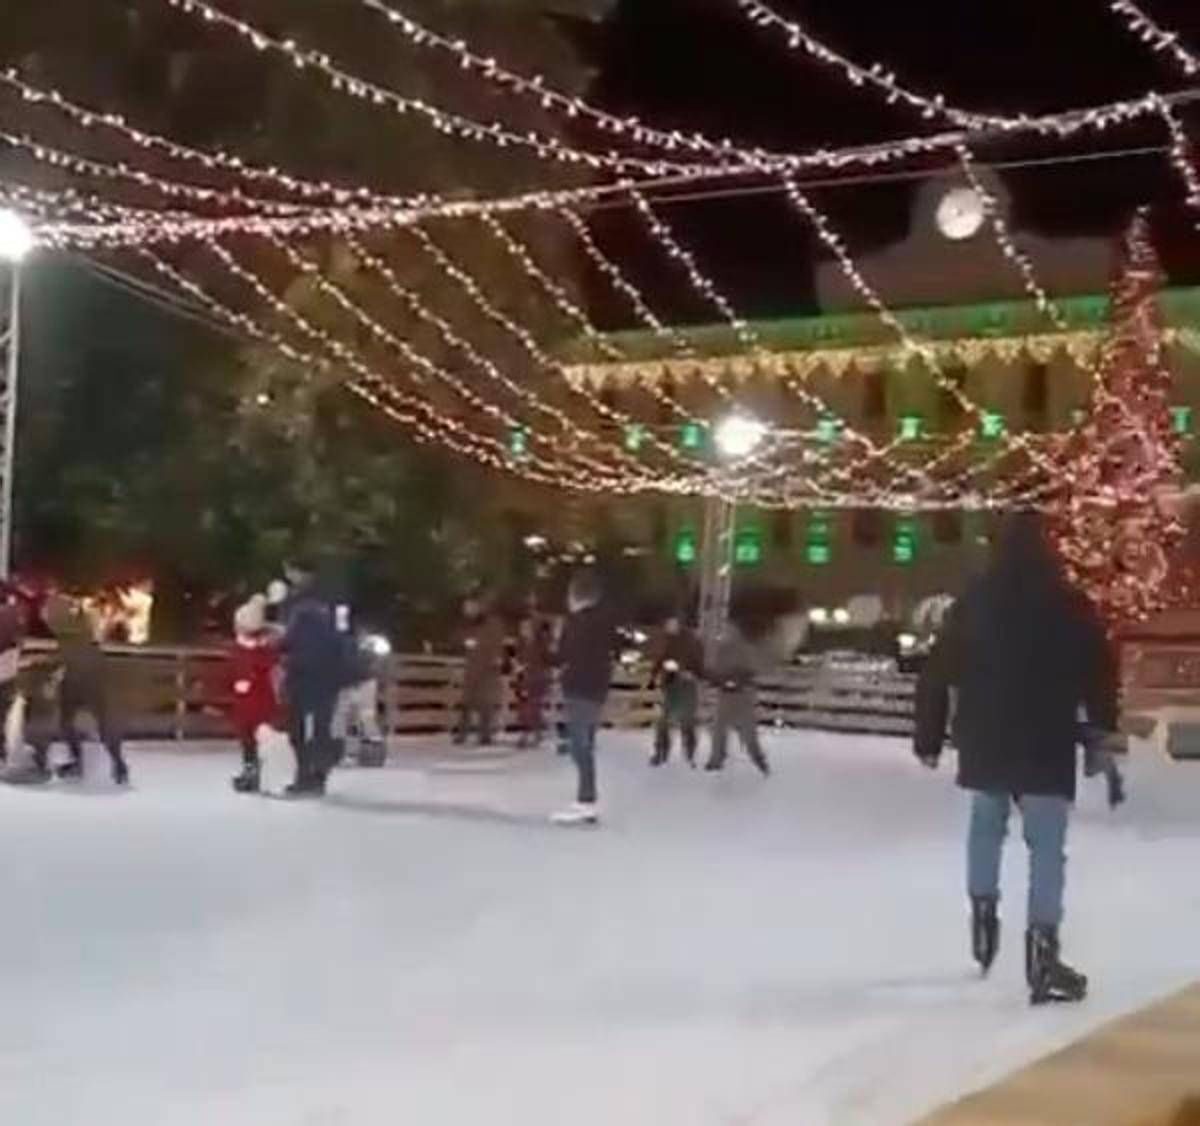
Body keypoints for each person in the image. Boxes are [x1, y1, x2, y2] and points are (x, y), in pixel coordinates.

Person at [914, 512, 1119, 1006]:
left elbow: (938, 671)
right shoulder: (1069, 603)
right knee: (1046, 847)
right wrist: (1100, 729)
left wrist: (929, 736)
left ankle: (983, 923)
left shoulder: (976, 601)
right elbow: (1100, 670)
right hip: (1046, 740)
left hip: (986, 737)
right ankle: (1043, 955)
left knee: (986, 828)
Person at [552, 571, 618, 825]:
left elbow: (564, 655)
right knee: (583, 743)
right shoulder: (604, 623)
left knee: (580, 746)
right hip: (596, 689)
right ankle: (586, 799)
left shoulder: (577, 623)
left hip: (579, 688)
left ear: (576, 596)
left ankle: (586, 800)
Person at [43, 595, 130, 785]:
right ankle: (117, 764)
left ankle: (87, 762)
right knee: (97, 718)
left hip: (78, 670)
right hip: (90, 667)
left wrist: (52, 672)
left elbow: (66, 651)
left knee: (71, 719)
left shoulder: (66, 624)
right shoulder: (80, 622)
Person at [279, 564, 345, 797]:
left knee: (298, 728)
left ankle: (306, 775)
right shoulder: (332, 602)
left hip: (304, 674)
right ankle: (317, 775)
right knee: (320, 727)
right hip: (328, 675)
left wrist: (275, 639)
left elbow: (288, 640)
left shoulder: (298, 606)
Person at [705, 614, 770, 776]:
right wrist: (719, 680)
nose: (728, 632)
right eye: (726, 629)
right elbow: (714, 669)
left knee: (748, 731)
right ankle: (717, 758)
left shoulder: (746, 648)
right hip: (725, 694)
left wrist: (737, 679)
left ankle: (758, 758)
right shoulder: (721, 649)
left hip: (743, 694)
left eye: (730, 629)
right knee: (718, 727)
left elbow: (752, 669)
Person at [228, 595, 280, 794]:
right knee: (248, 736)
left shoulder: (259, 649)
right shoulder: (254, 649)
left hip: (255, 699)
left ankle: (255, 772)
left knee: (254, 737)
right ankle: (252, 771)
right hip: (251, 699)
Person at [649, 615, 704, 768]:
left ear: (678, 624)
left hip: (687, 686)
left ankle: (689, 753)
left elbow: (699, 665)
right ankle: (661, 752)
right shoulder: (668, 640)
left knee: (687, 721)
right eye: (667, 624)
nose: (668, 627)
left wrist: (689, 672)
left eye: (671, 624)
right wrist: (654, 675)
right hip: (671, 685)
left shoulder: (692, 642)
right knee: (664, 721)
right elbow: (662, 659)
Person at [333, 625, 388, 767]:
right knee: (351, 716)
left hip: (356, 681)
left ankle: (357, 752)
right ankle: (350, 752)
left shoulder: (354, 643)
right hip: (354, 681)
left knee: (355, 716)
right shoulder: (360, 645)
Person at [454, 597, 505, 747]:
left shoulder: (492, 623)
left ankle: (485, 735)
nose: (466, 611)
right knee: (466, 702)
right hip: (472, 667)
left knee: (485, 703)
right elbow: (457, 638)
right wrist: (465, 641)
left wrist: (496, 657)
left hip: (487, 669)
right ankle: (462, 733)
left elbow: (497, 642)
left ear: (477, 606)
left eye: (469, 607)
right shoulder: (467, 624)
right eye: (465, 609)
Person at [514, 616, 552, 748]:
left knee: (533, 707)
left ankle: (532, 734)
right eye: (522, 628)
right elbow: (519, 660)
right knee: (525, 708)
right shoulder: (521, 644)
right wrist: (519, 668)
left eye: (526, 628)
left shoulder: (540, 644)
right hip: (525, 679)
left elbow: (547, 658)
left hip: (537, 678)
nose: (523, 631)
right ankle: (531, 733)